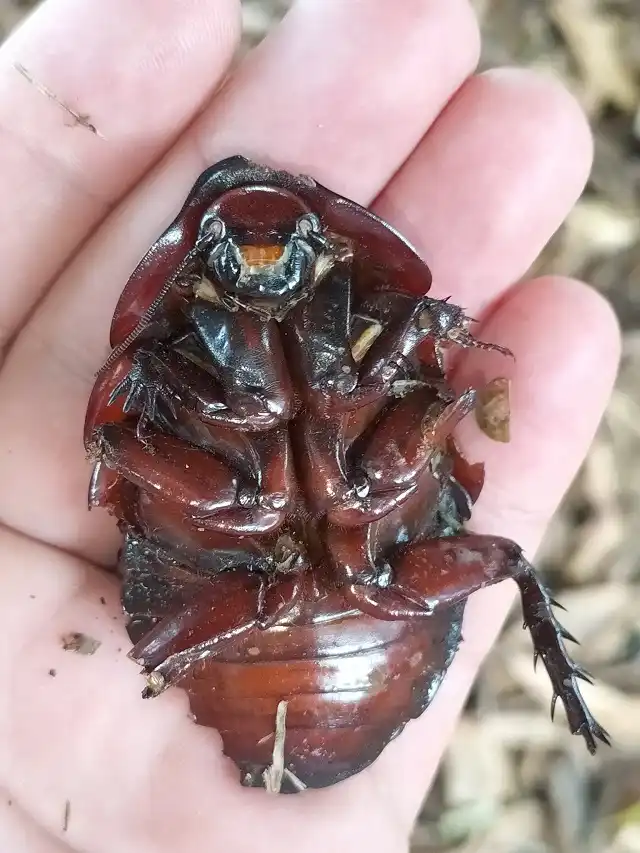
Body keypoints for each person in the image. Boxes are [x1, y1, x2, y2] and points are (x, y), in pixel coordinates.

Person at [0, 1, 619, 851]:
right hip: (340, 596)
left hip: (286, 598)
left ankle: (585, 727)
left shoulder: (196, 359)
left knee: (505, 558)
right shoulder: (174, 365)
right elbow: (117, 425)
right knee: (498, 555)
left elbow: (125, 433)